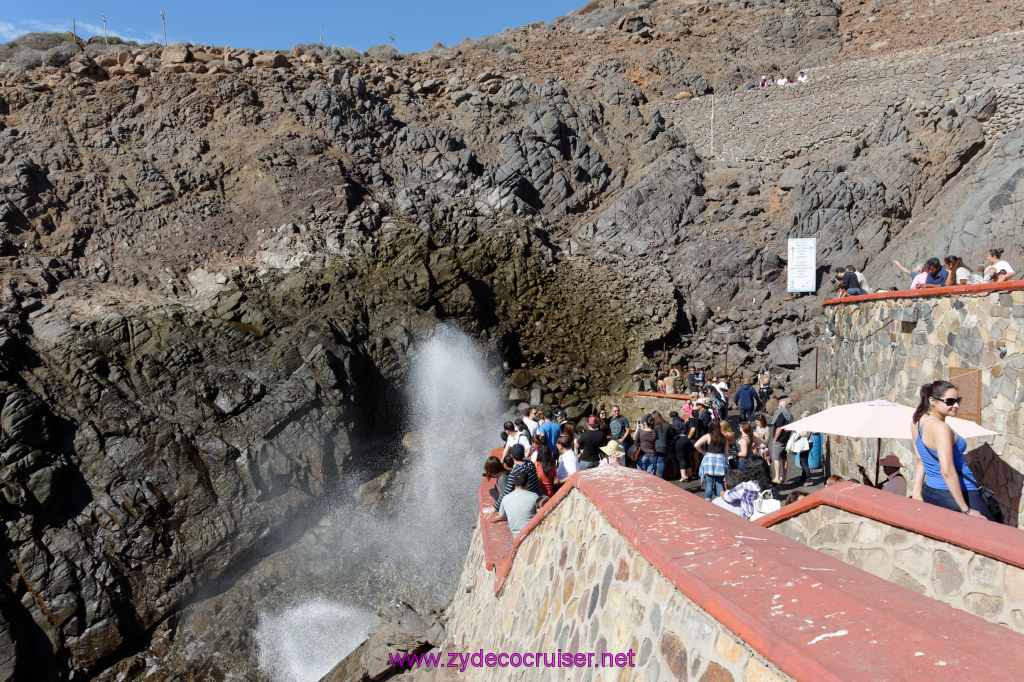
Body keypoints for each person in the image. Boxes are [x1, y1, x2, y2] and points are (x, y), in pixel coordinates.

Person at [911, 381, 993, 520]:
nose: (956, 405)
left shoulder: (916, 421)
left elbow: (921, 459)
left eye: (957, 400)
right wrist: (966, 510)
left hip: (932, 491)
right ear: (932, 401)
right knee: (994, 534)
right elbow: (947, 470)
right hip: (959, 492)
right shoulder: (940, 428)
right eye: (950, 401)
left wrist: (916, 492)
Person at [493, 444, 542, 512]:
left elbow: (506, 492)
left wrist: (494, 508)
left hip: (527, 502)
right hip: (539, 495)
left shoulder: (515, 473)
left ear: (511, 456)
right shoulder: (531, 464)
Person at [491, 471, 539, 537]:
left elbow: (502, 516)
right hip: (531, 533)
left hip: (515, 535)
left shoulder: (505, 498)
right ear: (527, 483)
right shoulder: (534, 496)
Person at [696, 419, 729, 501]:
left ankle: (707, 501)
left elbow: (696, 445)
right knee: (719, 482)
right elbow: (726, 452)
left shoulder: (708, 436)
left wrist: (703, 452)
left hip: (709, 460)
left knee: (709, 483)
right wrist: (726, 462)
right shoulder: (724, 437)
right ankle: (720, 501)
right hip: (721, 460)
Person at [768, 398, 794, 484]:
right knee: (784, 458)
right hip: (785, 439)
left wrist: (774, 439)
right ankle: (784, 476)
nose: (778, 407)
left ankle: (777, 478)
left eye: (779, 405)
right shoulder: (789, 415)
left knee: (776, 459)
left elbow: (779, 428)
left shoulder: (781, 415)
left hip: (779, 440)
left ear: (782, 406)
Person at [791, 410, 814, 486]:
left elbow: (804, 433)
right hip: (809, 443)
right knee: (804, 462)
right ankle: (803, 478)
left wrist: (797, 435)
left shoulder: (805, 423)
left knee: (803, 462)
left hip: (805, 444)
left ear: (803, 416)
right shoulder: (810, 422)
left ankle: (808, 479)